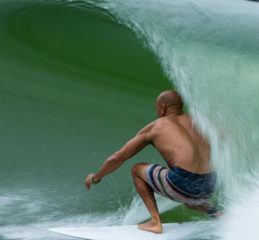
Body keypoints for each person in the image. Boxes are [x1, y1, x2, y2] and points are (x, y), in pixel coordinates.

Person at [84, 90, 221, 234]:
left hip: (183, 184)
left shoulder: (155, 127)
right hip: (209, 186)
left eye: (157, 108)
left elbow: (117, 158)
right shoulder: (199, 121)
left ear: (163, 108)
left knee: (137, 170)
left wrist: (95, 177)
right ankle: (215, 212)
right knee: (190, 196)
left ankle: (155, 222)